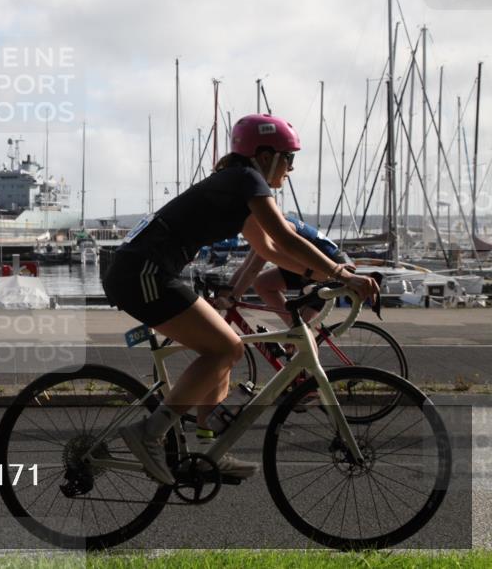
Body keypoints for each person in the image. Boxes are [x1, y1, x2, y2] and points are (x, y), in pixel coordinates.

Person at [102, 114, 379, 485]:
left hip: (144, 271)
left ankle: (206, 451)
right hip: (143, 273)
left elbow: (267, 248)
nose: (291, 168)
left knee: (225, 349)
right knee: (225, 349)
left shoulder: (236, 185)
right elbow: (284, 237)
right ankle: (149, 433)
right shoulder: (247, 180)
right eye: (289, 158)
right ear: (265, 156)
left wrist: (318, 279)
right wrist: (342, 273)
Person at [222, 215, 354, 322]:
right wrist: (226, 292)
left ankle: (297, 334)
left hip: (327, 268)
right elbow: (246, 266)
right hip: (310, 267)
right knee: (262, 284)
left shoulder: (274, 230)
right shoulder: (267, 225)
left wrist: (232, 299)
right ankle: (294, 329)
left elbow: (253, 269)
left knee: (301, 333)